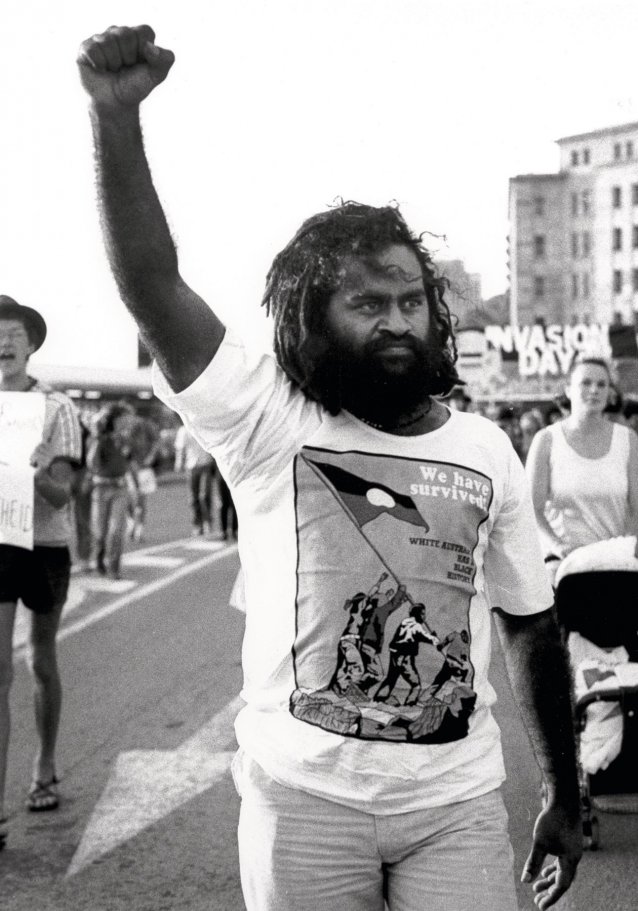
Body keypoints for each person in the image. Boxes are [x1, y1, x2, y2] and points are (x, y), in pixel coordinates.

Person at [77, 26, 582, 910]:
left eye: (409, 301)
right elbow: (154, 288)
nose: (395, 321)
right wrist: (113, 123)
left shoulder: (484, 448)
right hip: (301, 803)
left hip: (455, 808)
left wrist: (564, 795)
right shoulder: (267, 415)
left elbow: (530, 627)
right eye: (365, 302)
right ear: (315, 315)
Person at [0, 296, 82, 846]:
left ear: (30, 343)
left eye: (13, 333)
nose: (3, 342)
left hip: (46, 545)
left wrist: (29, 467)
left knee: (42, 663)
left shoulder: (57, 408)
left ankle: (45, 764)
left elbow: (63, 494)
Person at [526, 358, 638, 583]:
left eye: (601, 384)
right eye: (585, 383)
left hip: (613, 563)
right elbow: (531, 508)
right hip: (562, 565)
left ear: (610, 393)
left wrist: (621, 547)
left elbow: (636, 508)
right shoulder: (546, 439)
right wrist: (557, 546)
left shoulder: (628, 439)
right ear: (568, 389)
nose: (594, 390)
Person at [86, 402, 137, 579]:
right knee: (100, 532)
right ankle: (99, 557)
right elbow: (92, 463)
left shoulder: (124, 439)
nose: (127, 422)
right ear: (113, 419)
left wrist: (134, 487)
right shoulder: (99, 439)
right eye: (124, 418)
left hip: (120, 488)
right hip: (101, 488)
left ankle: (114, 567)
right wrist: (98, 438)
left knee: (117, 530)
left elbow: (129, 464)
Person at [174, 422, 217, 535]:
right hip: (191, 466)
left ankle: (207, 522)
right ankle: (198, 523)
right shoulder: (183, 430)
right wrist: (178, 462)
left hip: (205, 465)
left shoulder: (203, 426)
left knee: (204, 495)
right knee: (193, 498)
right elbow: (180, 448)